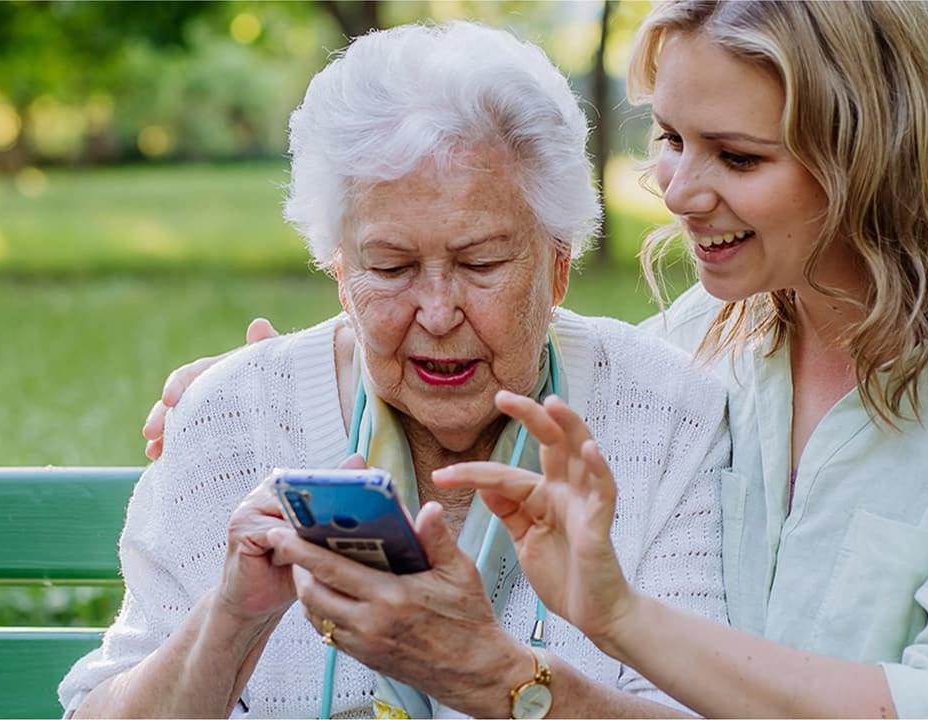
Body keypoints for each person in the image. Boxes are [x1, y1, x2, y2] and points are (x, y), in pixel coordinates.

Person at [149, 1, 928, 717]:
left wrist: (583, 637)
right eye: (671, 140)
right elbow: (520, 347)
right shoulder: (710, 338)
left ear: (874, 153)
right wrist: (272, 380)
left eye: (736, 158)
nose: (679, 191)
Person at [61, 20, 732, 719]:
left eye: (481, 263)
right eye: (391, 267)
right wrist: (230, 620)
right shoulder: (233, 416)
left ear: (559, 266)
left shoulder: (667, 415)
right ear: (340, 272)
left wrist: (497, 679)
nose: (437, 312)